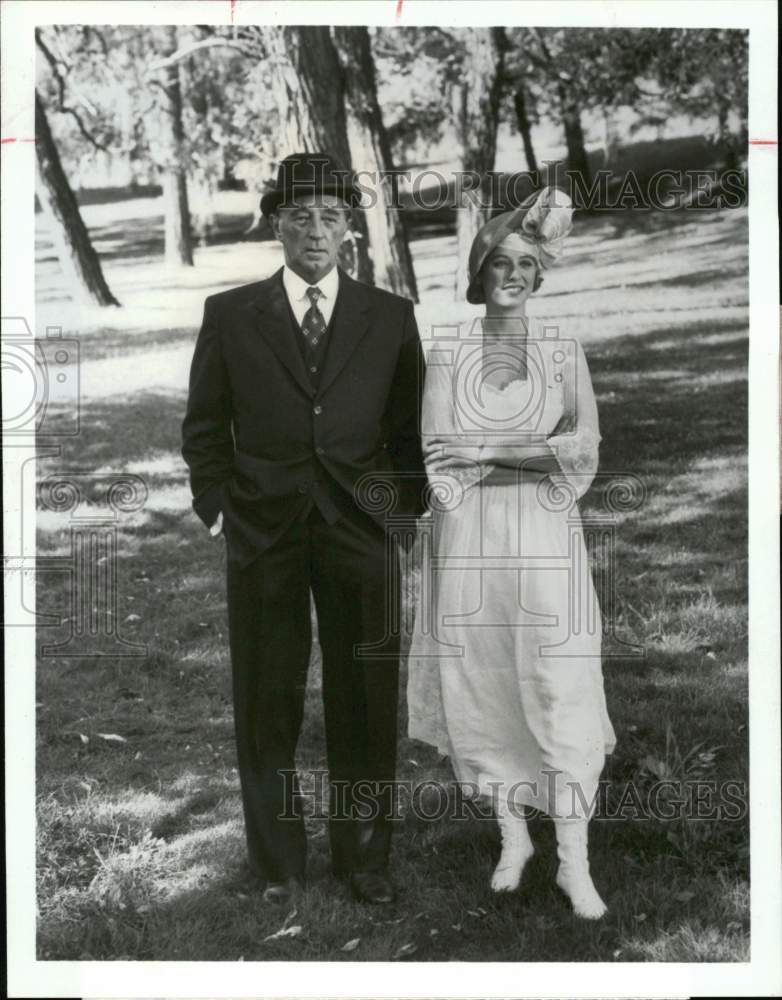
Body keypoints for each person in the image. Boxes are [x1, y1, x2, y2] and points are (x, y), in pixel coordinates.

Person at [182, 153, 426, 906]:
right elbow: (203, 425)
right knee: (267, 695)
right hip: (263, 528)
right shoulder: (231, 313)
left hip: (359, 528)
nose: (315, 232)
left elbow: (407, 429)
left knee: (364, 692)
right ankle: (278, 861)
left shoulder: (388, 316)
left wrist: (400, 512)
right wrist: (220, 502)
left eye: (330, 217)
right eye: (299, 216)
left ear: (350, 230)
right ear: (274, 226)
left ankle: (363, 859)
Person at [407, 187, 616, 919]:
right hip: (469, 540)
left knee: (556, 680)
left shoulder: (562, 347)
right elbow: (439, 461)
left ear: (540, 273)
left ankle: (573, 861)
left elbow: (581, 452)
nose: (513, 273)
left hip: (547, 538)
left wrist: (489, 449)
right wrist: (530, 454)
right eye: (500, 261)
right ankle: (513, 838)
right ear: (479, 269)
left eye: (526, 262)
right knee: (484, 681)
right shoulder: (449, 350)